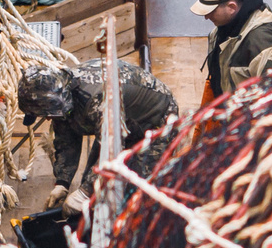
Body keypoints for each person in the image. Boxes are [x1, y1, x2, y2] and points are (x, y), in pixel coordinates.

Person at [16, 60, 180, 188]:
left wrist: (85, 193)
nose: (47, 120)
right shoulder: (64, 91)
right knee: (91, 180)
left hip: (157, 123)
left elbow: (111, 152)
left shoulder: (96, 99)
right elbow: (67, 137)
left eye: (47, 115)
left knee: (136, 188)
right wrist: (62, 182)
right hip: (120, 122)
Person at [192, 0, 272, 100]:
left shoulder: (261, 43)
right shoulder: (219, 31)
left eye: (211, 11)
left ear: (231, 7)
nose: (206, 17)